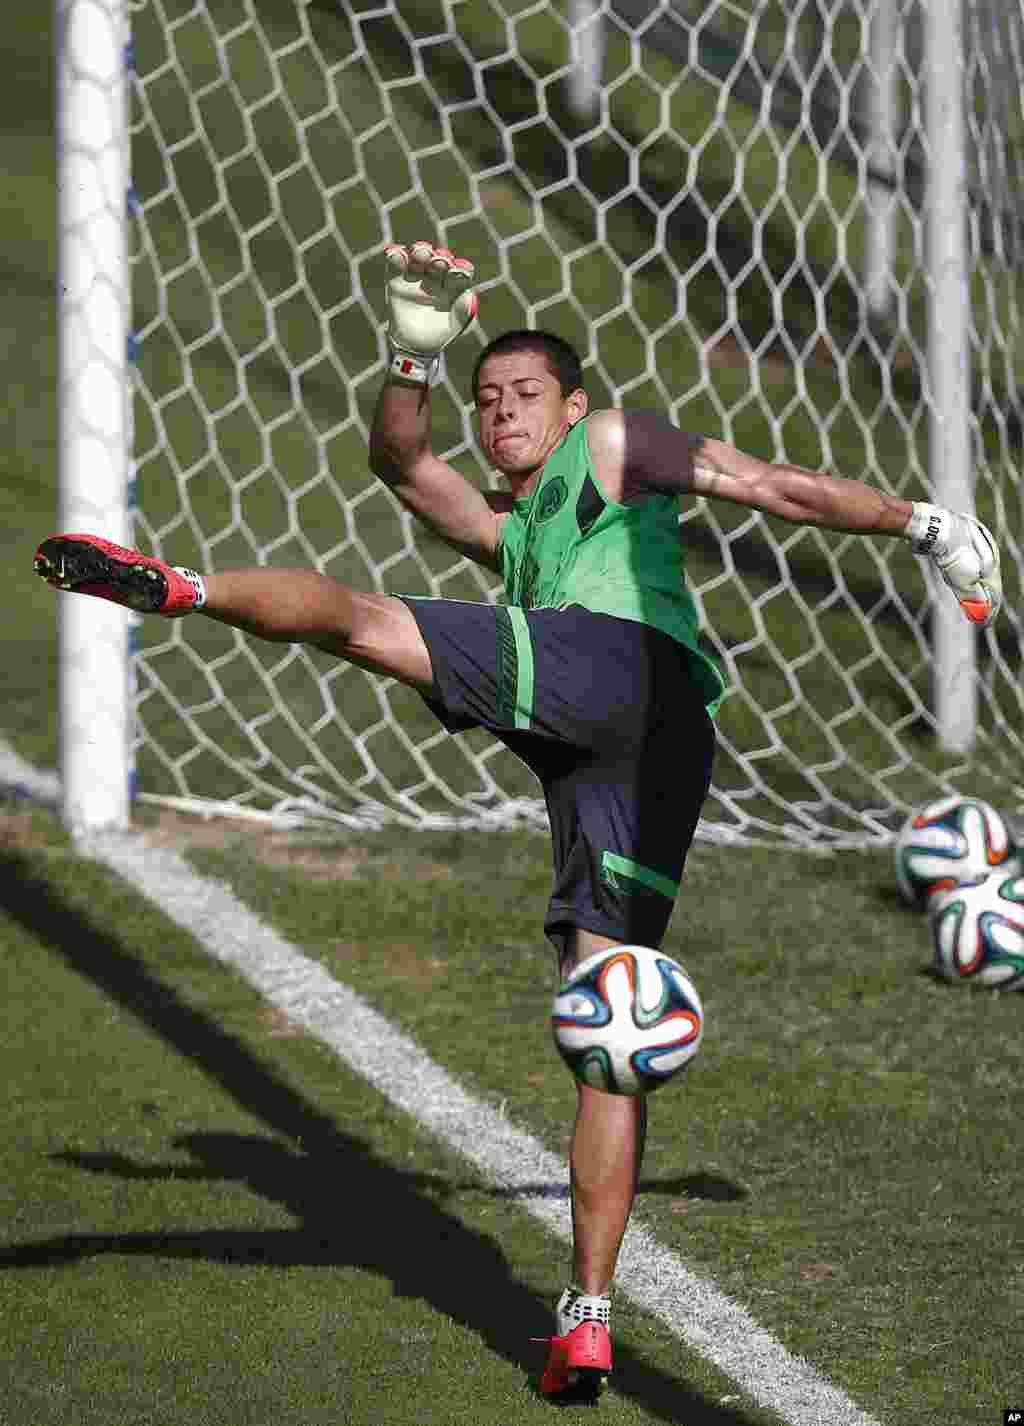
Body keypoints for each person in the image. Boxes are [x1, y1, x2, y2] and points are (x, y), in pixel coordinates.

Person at [34, 238, 1002, 1399]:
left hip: (620, 671)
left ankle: (177, 588)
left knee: (359, 621)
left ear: (574, 403)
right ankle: (588, 1315)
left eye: (520, 396)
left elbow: (770, 486)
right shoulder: (516, 534)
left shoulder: (609, 446)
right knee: (606, 1017)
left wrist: (927, 528)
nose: (498, 417)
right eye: (486, 401)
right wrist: (411, 353)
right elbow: (402, 462)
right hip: (640, 752)